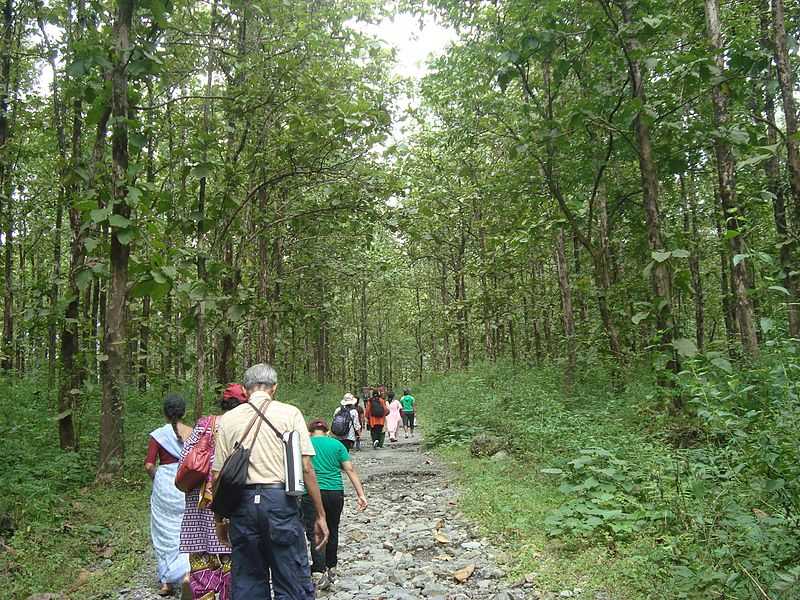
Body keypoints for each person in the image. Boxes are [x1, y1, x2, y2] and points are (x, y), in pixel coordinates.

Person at [212, 363, 329, 600]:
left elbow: (217, 476)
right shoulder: (290, 414)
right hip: (280, 502)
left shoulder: (228, 420)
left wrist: (219, 519)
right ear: (274, 388)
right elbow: (306, 467)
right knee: (291, 579)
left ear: (245, 391)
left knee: (247, 582)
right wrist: (320, 515)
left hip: (241, 507)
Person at [178, 383, 247, 600]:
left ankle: (205, 593)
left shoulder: (205, 423)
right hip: (227, 498)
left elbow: (185, 459)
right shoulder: (245, 426)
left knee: (201, 554)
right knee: (231, 555)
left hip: (199, 499)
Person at [301, 419, 368, 591]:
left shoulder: (304, 444)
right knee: (333, 528)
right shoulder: (337, 445)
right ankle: (331, 567)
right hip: (335, 492)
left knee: (316, 531)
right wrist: (360, 494)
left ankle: (318, 569)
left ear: (309, 431)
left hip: (311, 493)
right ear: (327, 431)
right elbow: (350, 469)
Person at [145, 394, 192, 596]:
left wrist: (157, 478)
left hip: (165, 485)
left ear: (165, 413)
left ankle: (166, 582)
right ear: (184, 412)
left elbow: (148, 465)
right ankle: (186, 573)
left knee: (163, 531)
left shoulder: (158, 435)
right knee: (184, 528)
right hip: (185, 484)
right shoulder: (192, 433)